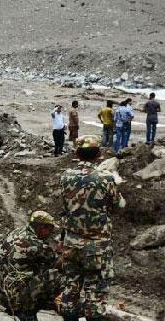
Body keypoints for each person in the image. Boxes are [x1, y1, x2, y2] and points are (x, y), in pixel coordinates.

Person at [59, 135, 125, 321]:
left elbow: (65, 206)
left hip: (71, 243)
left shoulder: (65, 177)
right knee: (96, 293)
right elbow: (118, 206)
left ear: (77, 154)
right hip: (97, 246)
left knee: (71, 288)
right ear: (98, 154)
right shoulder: (105, 178)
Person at [0, 210, 61, 321]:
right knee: (59, 276)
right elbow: (58, 263)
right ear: (41, 227)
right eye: (50, 229)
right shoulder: (37, 245)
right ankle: (28, 311)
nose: (50, 233)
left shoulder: (15, 232)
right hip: (15, 299)